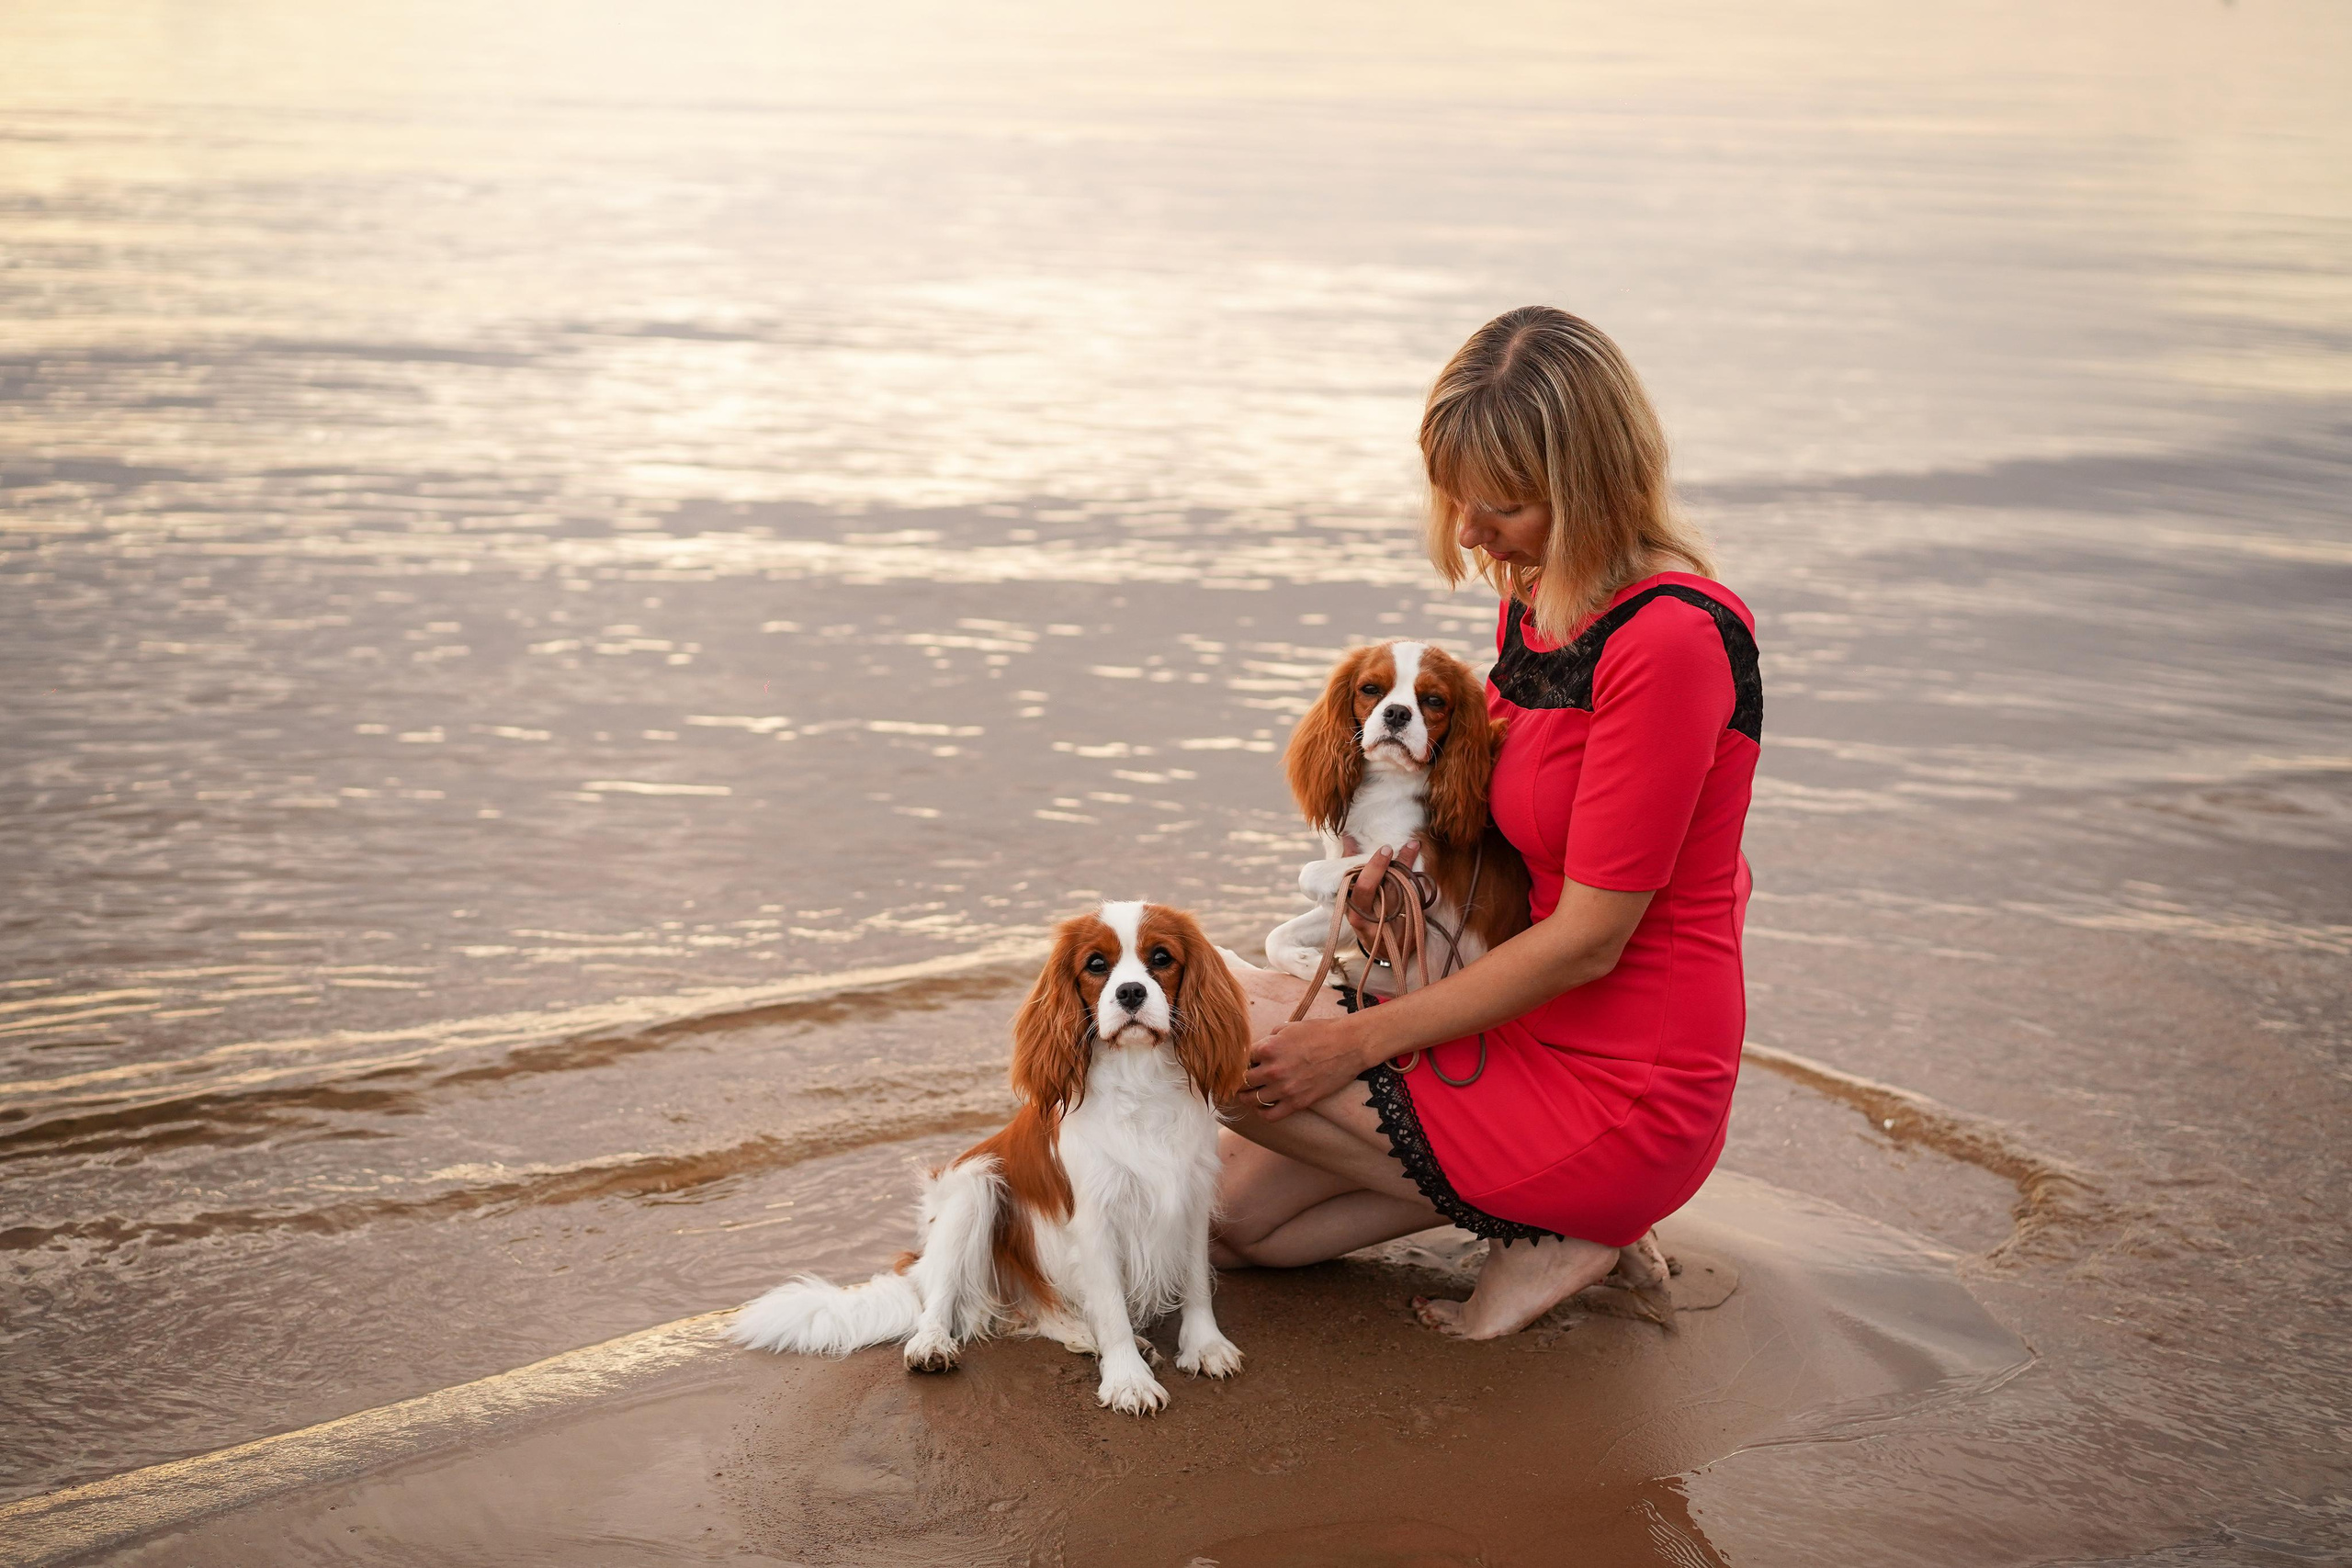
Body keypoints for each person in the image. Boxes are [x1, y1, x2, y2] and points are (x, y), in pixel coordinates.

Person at [1213, 305, 1761, 1338]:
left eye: (1499, 503)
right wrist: (1401, 880)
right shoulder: (1535, 602)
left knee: (1188, 1031)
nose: (1466, 533)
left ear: (1590, 485)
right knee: (1235, 1228)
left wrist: (1352, 1045)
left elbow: (1595, 938)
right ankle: (1520, 1203)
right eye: (1455, 498)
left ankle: (1575, 1218)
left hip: (1619, 1080)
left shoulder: (1674, 641)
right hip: (1495, 1010)